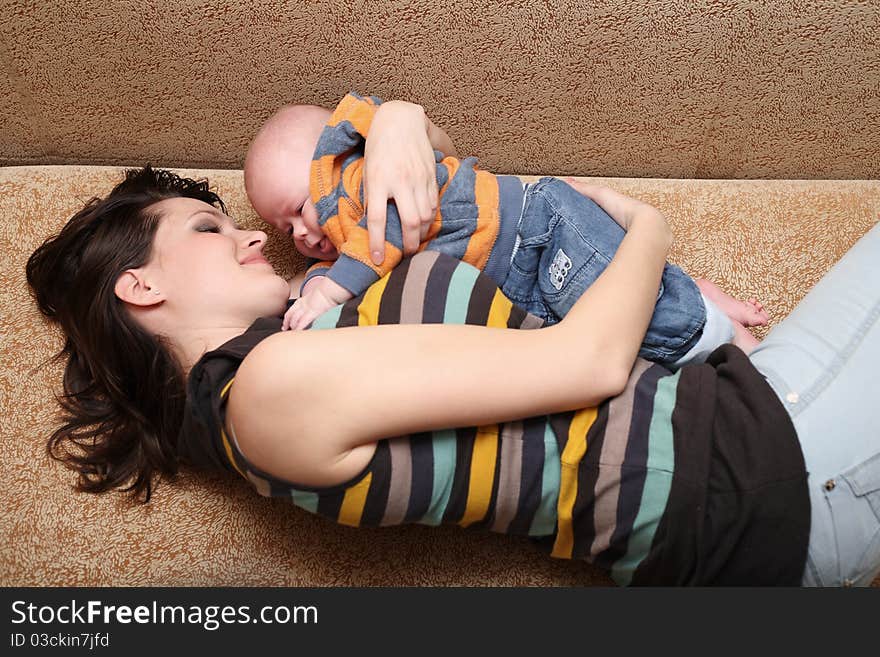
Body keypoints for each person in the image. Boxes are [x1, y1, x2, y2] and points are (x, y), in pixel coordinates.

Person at [25, 144, 879, 585]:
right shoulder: (269, 393)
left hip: (750, 436)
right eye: (208, 231)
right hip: (763, 472)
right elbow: (586, 363)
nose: (250, 233)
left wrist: (394, 118)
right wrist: (645, 226)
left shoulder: (308, 336)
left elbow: (449, 197)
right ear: (140, 286)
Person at [244, 92, 767, 368]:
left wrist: (326, 289)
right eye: (281, 227)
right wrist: (314, 285)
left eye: (296, 209)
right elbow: (344, 278)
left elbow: (376, 249)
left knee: (636, 318)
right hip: (518, 283)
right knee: (608, 314)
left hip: (536, 235)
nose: (299, 235)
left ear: (328, 166)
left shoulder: (366, 185)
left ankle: (726, 340)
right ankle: (691, 291)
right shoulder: (342, 244)